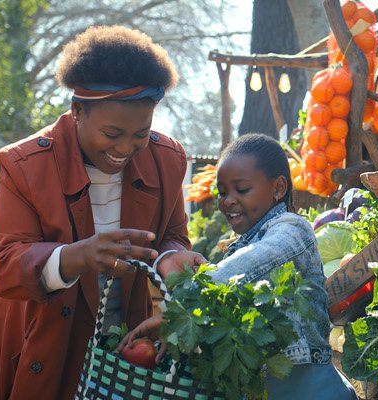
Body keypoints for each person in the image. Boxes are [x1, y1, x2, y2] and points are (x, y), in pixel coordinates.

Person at [0, 26, 204, 399]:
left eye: (141, 133)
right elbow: (3, 265)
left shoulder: (167, 159)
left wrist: (170, 257)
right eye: (112, 133)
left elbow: (171, 233)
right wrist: (78, 256)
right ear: (77, 111)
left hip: (121, 350)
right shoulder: (23, 165)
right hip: (35, 341)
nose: (126, 148)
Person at [124, 134, 356, 399]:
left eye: (242, 190)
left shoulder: (292, 229)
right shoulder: (237, 247)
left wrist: (179, 310)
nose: (227, 201)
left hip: (311, 389)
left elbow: (255, 261)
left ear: (278, 188)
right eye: (222, 193)